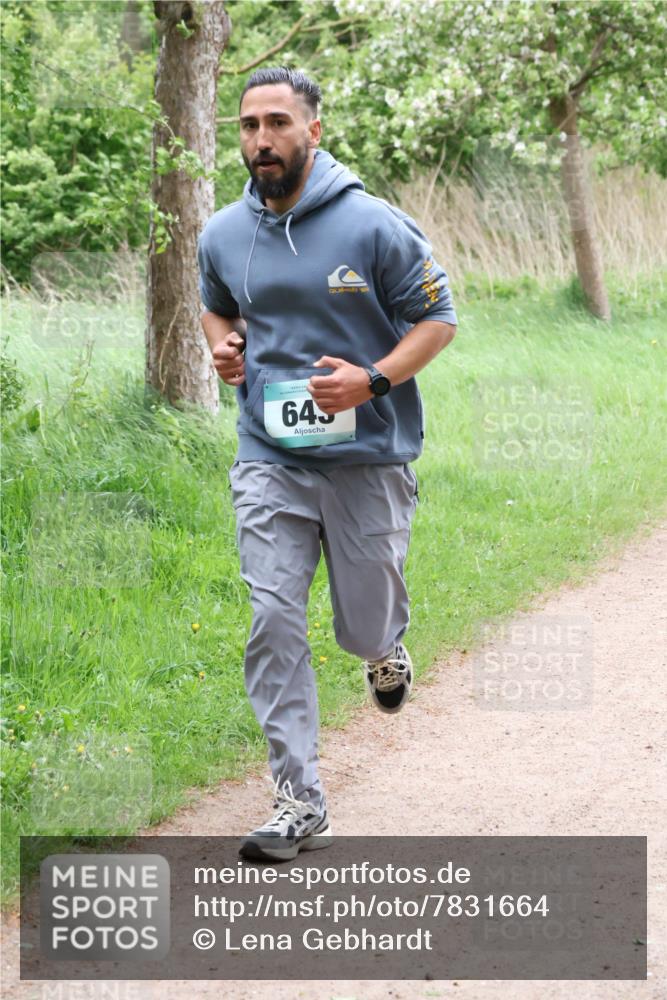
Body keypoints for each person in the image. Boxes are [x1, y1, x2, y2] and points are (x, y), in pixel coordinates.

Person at [197, 66, 457, 862]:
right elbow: (216, 303)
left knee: (361, 619)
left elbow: (438, 319)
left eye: (277, 123)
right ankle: (297, 797)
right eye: (248, 125)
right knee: (273, 615)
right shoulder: (222, 233)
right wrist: (221, 344)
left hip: (367, 456)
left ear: (313, 129)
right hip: (268, 454)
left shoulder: (372, 225)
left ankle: (384, 648)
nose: (260, 140)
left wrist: (370, 379)